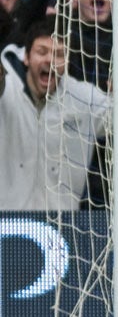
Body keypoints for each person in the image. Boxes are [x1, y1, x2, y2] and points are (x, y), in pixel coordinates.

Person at [0, 15, 110, 210]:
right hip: (7, 223)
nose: (50, 60)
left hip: (61, 227)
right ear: (26, 57)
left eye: (58, 54)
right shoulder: (6, 92)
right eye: (42, 52)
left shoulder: (82, 98)